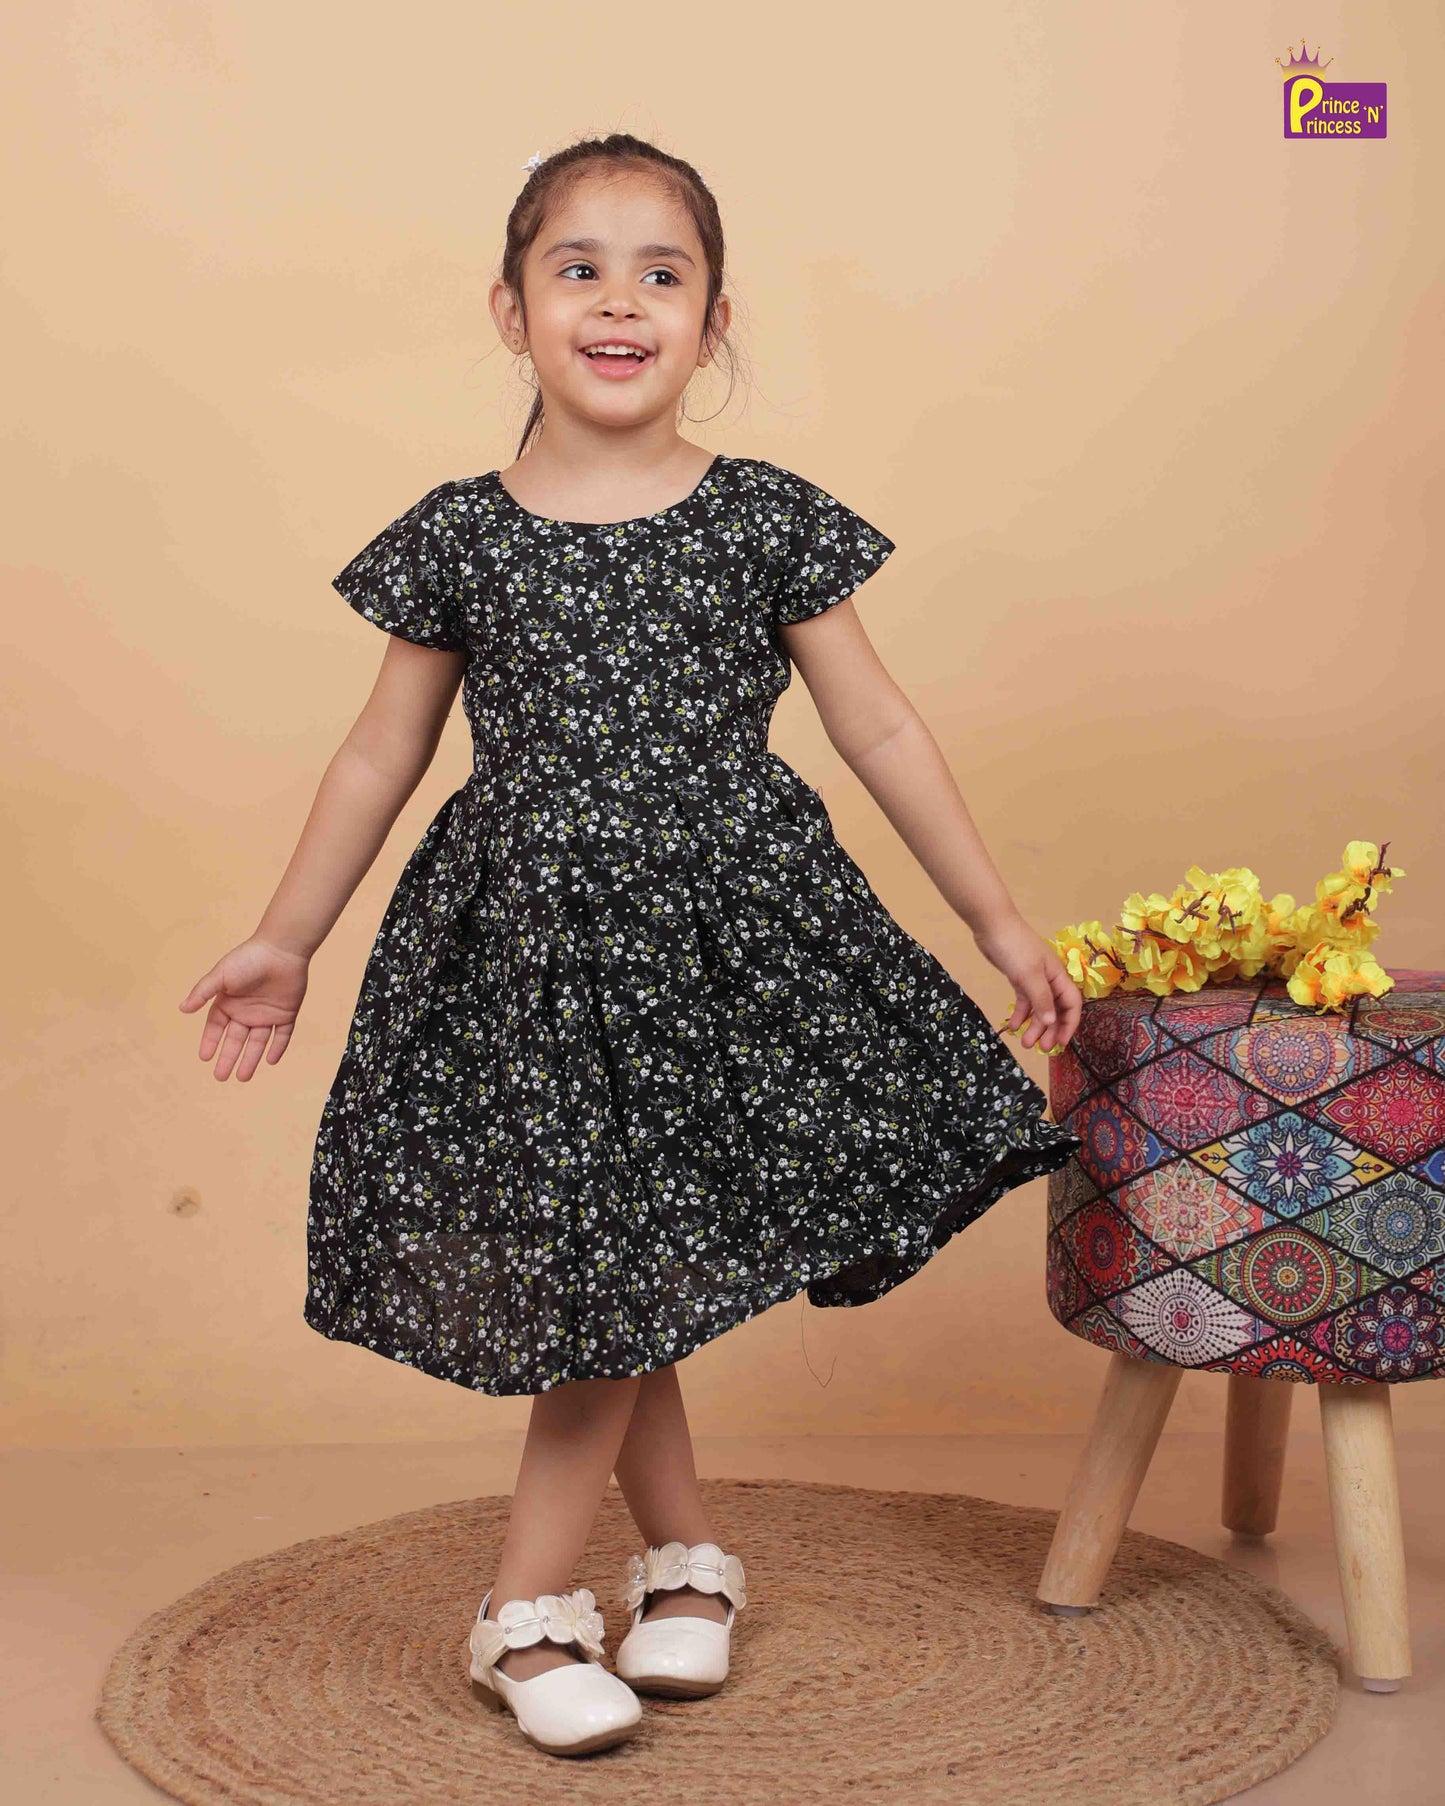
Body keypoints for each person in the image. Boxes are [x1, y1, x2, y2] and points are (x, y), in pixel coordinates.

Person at [178, 131, 1084, 1759]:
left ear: (712, 320)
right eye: (577, 269)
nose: (618, 301)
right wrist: (285, 936)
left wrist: (995, 916)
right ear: (510, 308)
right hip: (525, 956)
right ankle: (646, 1570)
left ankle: (541, 1597)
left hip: (721, 952)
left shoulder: (763, 519)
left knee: (618, 1257)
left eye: (660, 274)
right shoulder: (458, 536)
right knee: (604, 1257)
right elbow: (381, 751)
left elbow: (877, 725)